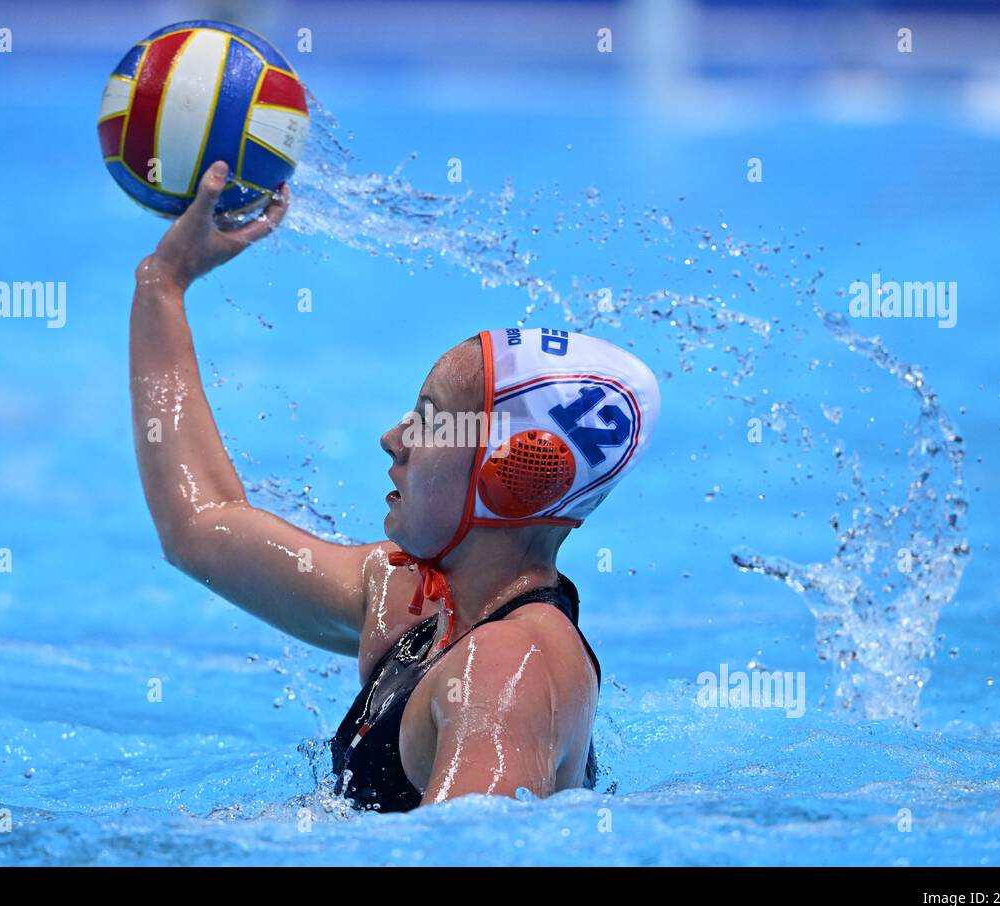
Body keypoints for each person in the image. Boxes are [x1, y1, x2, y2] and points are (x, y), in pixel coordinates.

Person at [130, 160, 661, 812]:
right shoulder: (409, 598)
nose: (394, 438)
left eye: (430, 419)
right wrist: (162, 286)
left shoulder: (507, 673)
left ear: (514, 473)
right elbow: (200, 526)